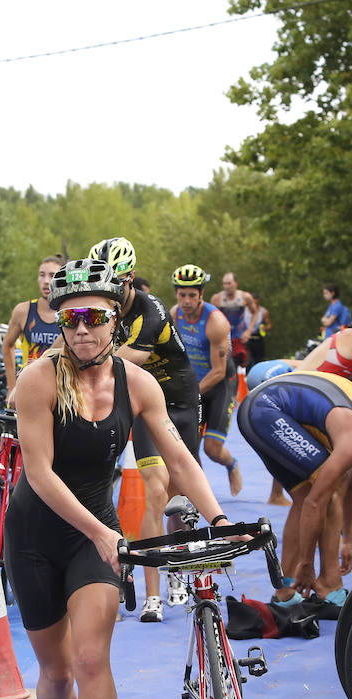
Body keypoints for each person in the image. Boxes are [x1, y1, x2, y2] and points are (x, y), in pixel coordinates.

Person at [6, 258, 234, 699]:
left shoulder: (138, 383)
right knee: (56, 673)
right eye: (70, 318)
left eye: (95, 318)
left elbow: (180, 456)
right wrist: (104, 532)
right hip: (35, 535)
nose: (82, 329)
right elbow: (40, 475)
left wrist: (218, 517)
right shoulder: (38, 380)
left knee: (89, 659)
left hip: (95, 539)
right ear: (59, 323)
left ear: (115, 321)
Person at [93, 237, 202, 621]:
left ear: (131, 280)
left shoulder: (149, 311)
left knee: (180, 493)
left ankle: (177, 562)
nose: (107, 295)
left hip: (179, 400)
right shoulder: (103, 304)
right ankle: (153, 592)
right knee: (155, 490)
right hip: (144, 399)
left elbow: (119, 362)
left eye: (114, 287)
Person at [238, 371, 352, 607]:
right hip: (265, 410)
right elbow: (316, 502)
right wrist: (307, 564)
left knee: (305, 494)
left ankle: (286, 590)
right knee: (327, 493)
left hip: (262, 408)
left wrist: (347, 541)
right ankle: (327, 583)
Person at [170, 264, 242, 510]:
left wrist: (190, 393)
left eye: (192, 295)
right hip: (194, 385)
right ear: (176, 295)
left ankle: (231, 465)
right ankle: (198, 495)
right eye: (182, 295)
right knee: (189, 449)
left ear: (201, 294)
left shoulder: (216, 322)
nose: (187, 301)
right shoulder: (174, 315)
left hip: (220, 385)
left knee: (212, 449)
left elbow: (219, 371)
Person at [1, 254, 64, 399]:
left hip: (62, 390)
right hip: (31, 387)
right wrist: (12, 387)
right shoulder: (23, 311)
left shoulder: (70, 312)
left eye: (52, 275)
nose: (46, 281)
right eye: (42, 275)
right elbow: (7, 346)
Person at [208, 272, 257, 370]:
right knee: (226, 365)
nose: (227, 286)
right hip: (224, 336)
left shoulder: (245, 296)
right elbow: (210, 318)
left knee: (244, 364)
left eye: (229, 283)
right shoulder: (217, 298)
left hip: (241, 336)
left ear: (236, 283)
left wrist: (249, 331)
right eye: (224, 284)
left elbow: (255, 313)